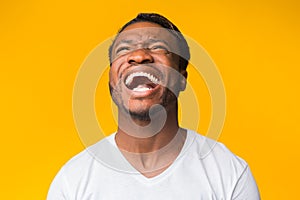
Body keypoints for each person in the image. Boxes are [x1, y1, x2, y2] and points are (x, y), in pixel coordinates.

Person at [48, 13, 260, 199]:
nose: (139, 56)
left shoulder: (229, 173)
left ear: (181, 78)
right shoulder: (72, 180)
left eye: (159, 47)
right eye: (123, 49)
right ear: (111, 81)